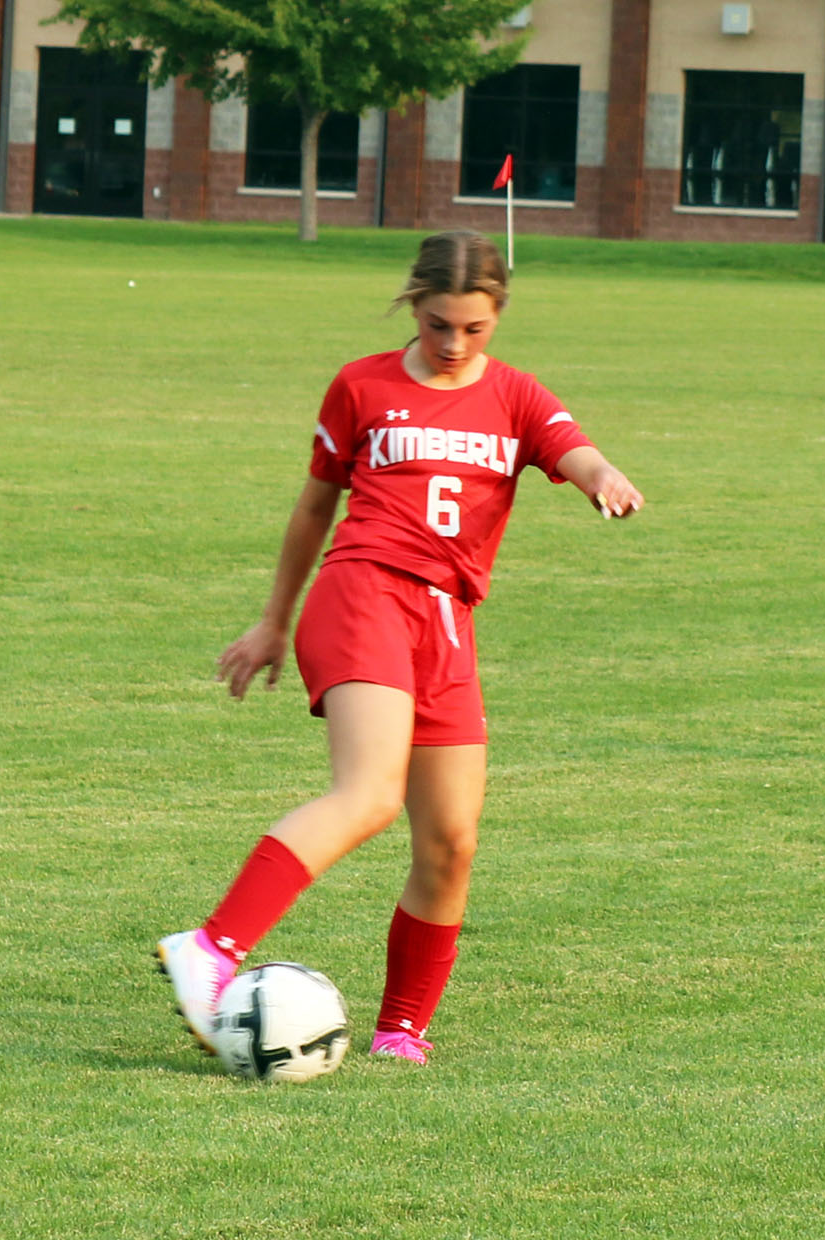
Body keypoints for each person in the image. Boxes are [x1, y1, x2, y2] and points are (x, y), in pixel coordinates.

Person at [157, 231, 645, 1064]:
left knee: (451, 840)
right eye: (438, 324)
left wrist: (604, 479)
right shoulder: (362, 385)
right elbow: (315, 509)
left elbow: (576, 450)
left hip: (448, 623)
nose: (454, 344)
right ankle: (210, 950)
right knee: (371, 794)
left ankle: (401, 1030)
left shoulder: (518, 397)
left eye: (473, 329)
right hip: (364, 592)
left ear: (497, 319)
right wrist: (275, 619)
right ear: (412, 305)